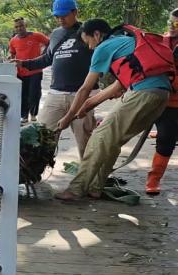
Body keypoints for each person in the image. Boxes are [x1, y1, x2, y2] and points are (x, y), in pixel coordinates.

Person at [54, 18, 172, 200]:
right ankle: (95, 187)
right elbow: (116, 87)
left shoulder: (104, 47)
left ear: (97, 34)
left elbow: (85, 88)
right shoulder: (127, 43)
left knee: (99, 137)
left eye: (89, 43)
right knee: (113, 140)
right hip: (161, 95)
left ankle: (76, 189)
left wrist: (68, 117)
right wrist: (85, 107)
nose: (91, 48)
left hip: (143, 92)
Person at [15, 0, 97, 158]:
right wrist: (23, 63)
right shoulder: (55, 34)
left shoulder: (88, 31)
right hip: (55, 95)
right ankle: (36, 174)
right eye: (57, 16)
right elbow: (47, 58)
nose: (60, 19)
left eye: (64, 15)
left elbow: (103, 55)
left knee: (85, 141)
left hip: (82, 95)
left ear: (75, 12)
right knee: (42, 137)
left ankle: (89, 178)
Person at [145, 8, 178, 195]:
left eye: (177, 24)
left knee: (168, 136)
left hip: (174, 102)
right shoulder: (160, 42)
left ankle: (154, 178)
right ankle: (154, 179)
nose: (172, 27)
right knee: (166, 138)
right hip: (158, 98)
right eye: (170, 23)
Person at [9, 17, 49, 122]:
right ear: (14, 29)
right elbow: (12, 53)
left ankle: (33, 114)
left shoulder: (36, 36)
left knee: (34, 93)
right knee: (22, 94)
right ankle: (24, 116)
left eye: (21, 25)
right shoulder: (13, 40)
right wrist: (11, 58)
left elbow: (49, 43)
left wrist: (44, 55)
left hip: (35, 71)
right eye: (16, 27)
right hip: (20, 72)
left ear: (25, 25)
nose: (19, 28)